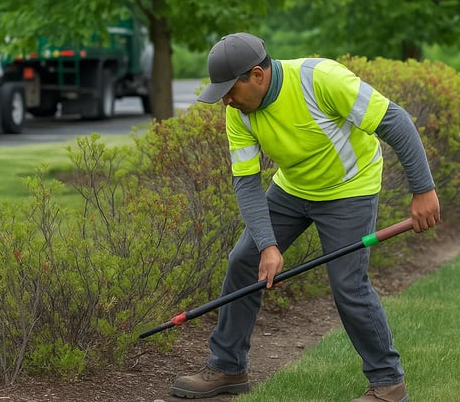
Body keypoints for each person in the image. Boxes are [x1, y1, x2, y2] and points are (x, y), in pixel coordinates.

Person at [170, 33, 440, 402]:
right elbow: (246, 183)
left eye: (230, 90)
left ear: (257, 75)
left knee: (348, 284)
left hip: (349, 188)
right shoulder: (239, 113)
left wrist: (423, 190)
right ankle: (228, 367)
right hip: (293, 188)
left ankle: (388, 383)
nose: (226, 101)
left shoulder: (320, 80)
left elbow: (395, 120)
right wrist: (268, 245)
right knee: (244, 260)